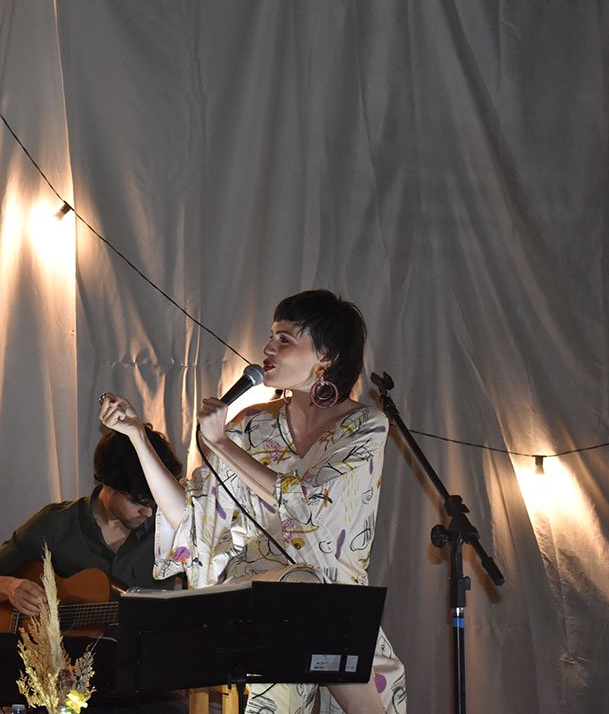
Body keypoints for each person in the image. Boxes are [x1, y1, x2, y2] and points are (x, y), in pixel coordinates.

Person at [100, 289, 406, 714]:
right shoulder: (251, 425)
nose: (269, 348)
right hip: (259, 602)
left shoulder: (364, 426)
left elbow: (308, 507)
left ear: (327, 356)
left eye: (285, 338)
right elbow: (192, 519)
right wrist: (137, 436)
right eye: (271, 336)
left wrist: (223, 445)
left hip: (334, 600)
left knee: (315, 607)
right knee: (292, 604)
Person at [0, 426, 187, 713]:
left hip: (144, 686)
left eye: (154, 501)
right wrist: (11, 587)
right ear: (107, 484)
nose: (148, 512)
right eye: (138, 502)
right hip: (62, 686)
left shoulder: (173, 531)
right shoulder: (57, 524)